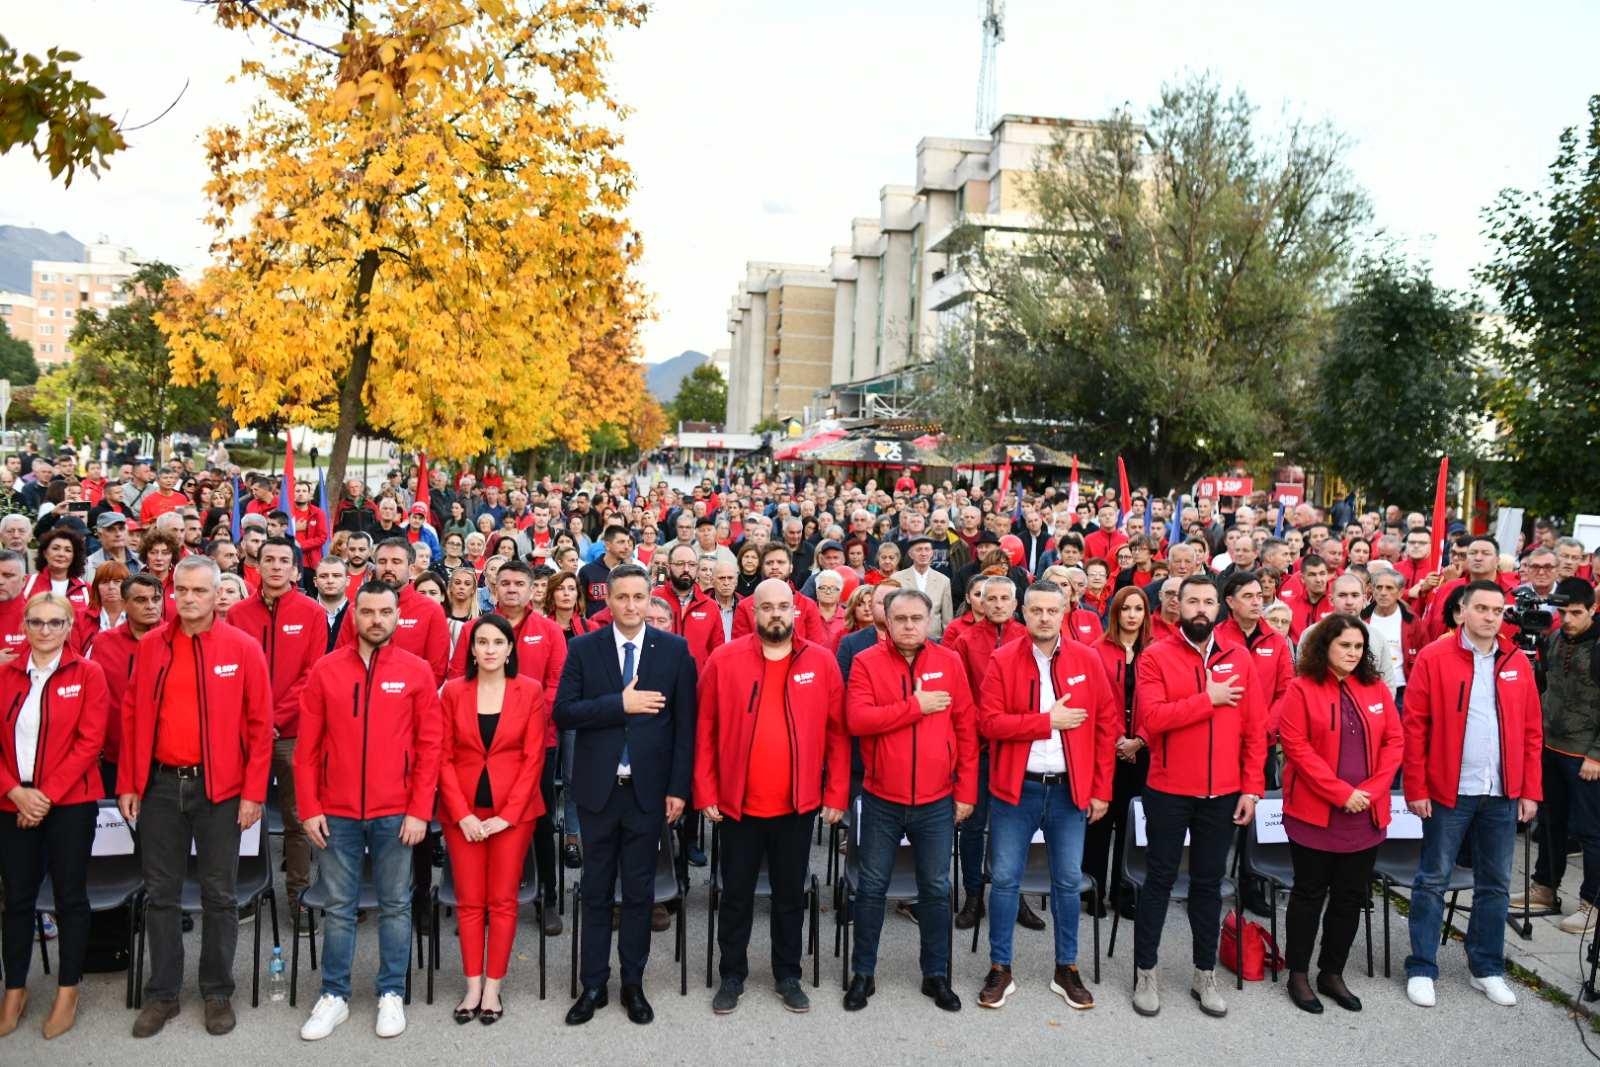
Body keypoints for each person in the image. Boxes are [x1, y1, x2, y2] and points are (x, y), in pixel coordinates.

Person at [118, 557, 273, 1039]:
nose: (187, 599)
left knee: (219, 894)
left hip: (220, 790)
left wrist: (252, 793)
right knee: (160, 893)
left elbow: (259, 727)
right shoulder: (150, 647)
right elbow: (131, 715)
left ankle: (216, 990)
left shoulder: (242, 648)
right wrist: (128, 782)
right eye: (180, 589)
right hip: (161, 786)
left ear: (216, 595)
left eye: (198, 591)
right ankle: (163, 993)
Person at [296, 582, 444, 1041]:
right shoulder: (325, 670)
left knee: (397, 904)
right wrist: (308, 807)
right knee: (339, 906)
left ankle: (391, 992)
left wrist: (420, 809)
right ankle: (335, 995)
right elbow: (307, 748)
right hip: (336, 811)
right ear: (353, 615)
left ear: (397, 615)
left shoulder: (416, 670)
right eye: (367, 611)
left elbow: (429, 745)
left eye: (385, 611)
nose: (376, 619)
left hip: (396, 811)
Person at [695, 578, 849, 1015]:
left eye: (784, 606)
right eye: (767, 607)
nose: (776, 614)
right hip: (738, 805)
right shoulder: (724, 660)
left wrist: (835, 793)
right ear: (753, 612)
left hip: (796, 806)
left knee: (788, 895)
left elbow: (838, 735)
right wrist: (706, 791)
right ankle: (732, 974)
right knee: (737, 894)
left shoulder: (820, 662)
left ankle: (787, 974)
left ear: (795, 611)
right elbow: (704, 732)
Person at [556, 563, 697, 1027]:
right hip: (598, 791)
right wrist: (621, 703)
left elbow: (684, 728)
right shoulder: (583, 648)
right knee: (596, 891)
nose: (631, 605)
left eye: (639, 597)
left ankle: (633, 982)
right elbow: (565, 713)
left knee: (638, 893)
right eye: (622, 597)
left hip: (648, 793)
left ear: (649, 599)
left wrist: (679, 788)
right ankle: (593, 983)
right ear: (608, 601)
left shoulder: (675, 651)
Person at [973, 579, 1117, 1011]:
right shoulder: (1002, 660)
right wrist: (1045, 721)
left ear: (1065, 612)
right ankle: (1000, 966)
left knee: (1069, 882)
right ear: (1023, 612)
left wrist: (1101, 790)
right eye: (1035, 610)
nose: (1043, 618)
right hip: (1017, 790)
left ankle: (1066, 968)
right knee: (1003, 881)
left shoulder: (1087, 659)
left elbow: (1107, 726)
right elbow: (989, 724)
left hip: (1069, 791)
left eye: (1052, 611)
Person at [1130, 574, 1266, 1019]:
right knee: (1159, 882)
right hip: (1168, 790)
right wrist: (1207, 699)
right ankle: (1145, 971)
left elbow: (1253, 729)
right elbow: (1151, 719)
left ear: (1219, 607)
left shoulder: (1239, 657)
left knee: (1209, 887)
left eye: (1209, 601)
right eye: (1192, 601)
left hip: (1223, 793)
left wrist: (1252, 786)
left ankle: (1203, 971)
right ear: (1177, 606)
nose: (1201, 609)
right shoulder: (1154, 656)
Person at [1402, 580, 1542, 1009]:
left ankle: (1487, 967)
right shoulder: (1434, 657)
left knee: (1496, 885)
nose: (1490, 616)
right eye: (1480, 608)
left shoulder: (1517, 661)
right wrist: (1416, 786)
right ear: (1461, 612)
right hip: (1449, 791)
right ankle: (1423, 967)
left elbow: (1532, 732)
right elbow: (1415, 727)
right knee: (1432, 880)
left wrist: (1530, 790)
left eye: (1497, 610)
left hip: (1501, 792)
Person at [842, 588, 977, 1014]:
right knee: (871, 888)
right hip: (882, 798)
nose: (908, 626)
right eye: (900, 618)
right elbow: (858, 719)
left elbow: (967, 730)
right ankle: (863, 972)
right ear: (886, 620)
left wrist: (967, 792)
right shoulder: (866, 662)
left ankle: (935, 973)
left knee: (936, 889)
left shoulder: (949, 662)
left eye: (917, 618)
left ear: (930, 619)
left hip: (937, 801)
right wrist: (914, 706)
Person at [1275, 614, 1403, 1014]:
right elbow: (1296, 747)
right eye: (1344, 645)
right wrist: (1340, 793)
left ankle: (1332, 972)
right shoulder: (1301, 689)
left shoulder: (1377, 688)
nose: (1352, 653)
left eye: (1358, 647)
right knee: (1309, 894)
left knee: (1350, 897)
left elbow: (1395, 742)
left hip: (1365, 813)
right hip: (1316, 813)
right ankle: (1298, 973)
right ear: (1325, 646)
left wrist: (1372, 790)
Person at [0, 592, 110, 1040]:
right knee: (18, 898)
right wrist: (14, 792)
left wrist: (42, 796)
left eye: (55, 623)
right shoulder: (5, 674)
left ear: (70, 627)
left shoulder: (88, 673)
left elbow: (90, 742)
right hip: (11, 803)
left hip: (69, 803)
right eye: (36, 622)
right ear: (23, 626)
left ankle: (68, 988)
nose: (45, 631)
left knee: (70, 897)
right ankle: (15, 989)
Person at [437, 614, 548, 1025]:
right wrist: (462, 813)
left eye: (497, 642)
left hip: (512, 815)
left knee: (502, 901)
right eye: (481, 641)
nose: (488, 649)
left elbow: (534, 757)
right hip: (461, 812)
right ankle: (471, 986)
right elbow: (441, 756)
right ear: (471, 648)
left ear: (509, 649)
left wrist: (507, 816)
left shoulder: (529, 691)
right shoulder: (451, 691)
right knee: (469, 901)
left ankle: (493, 988)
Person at [227, 536, 327, 915]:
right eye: (268, 559)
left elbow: (311, 675)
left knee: (297, 819)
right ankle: (242, 893)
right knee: (239, 816)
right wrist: (256, 721)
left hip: (292, 734)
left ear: (296, 569)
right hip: (245, 733)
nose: (275, 566)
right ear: (258, 566)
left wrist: (274, 719)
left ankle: (298, 898)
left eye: (284, 560)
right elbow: (234, 675)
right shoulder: (237, 614)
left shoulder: (312, 613)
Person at [948, 576, 1042, 932]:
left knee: (1014, 827)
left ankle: (1012, 895)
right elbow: (959, 694)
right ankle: (973, 896)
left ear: (1016, 603)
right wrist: (984, 723)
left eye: (1006, 598)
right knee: (973, 825)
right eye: (992, 599)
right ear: (981, 603)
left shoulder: (1029, 638)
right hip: (978, 746)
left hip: (1020, 746)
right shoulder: (965, 640)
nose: (999, 604)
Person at [1512, 578, 1600, 932]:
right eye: (1562, 612)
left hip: (1586, 757)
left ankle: (1592, 903)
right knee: (1550, 823)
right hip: (1550, 747)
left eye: (1575, 613)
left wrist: (1596, 754)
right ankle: (1545, 887)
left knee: (1591, 832)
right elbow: (1542, 689)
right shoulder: (1553, 639)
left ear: (1592, 609)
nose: (1567, 619)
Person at [1085, 586, 1153, 921]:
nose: (1131, 615)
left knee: (1132, 824)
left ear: (1145, 613)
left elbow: (1161, 704)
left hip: (1143, 750)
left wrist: (1139, 739)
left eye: (1138, 609)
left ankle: (1125, 892)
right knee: (1100, 822)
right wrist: (1117, 740)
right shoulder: (1096, 650)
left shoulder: (1157, 651)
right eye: (1125, 608)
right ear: (1115, 612)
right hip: (1105, 748)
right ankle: (1094, 890)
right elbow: (1095, 701)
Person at [87, 573, 165, 794]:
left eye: (156, 599)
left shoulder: (176, 639)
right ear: (123, 604)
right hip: (115, 753)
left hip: (163, 758)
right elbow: (96, 699)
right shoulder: (104, 642)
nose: (151, 606)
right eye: (141, 600)